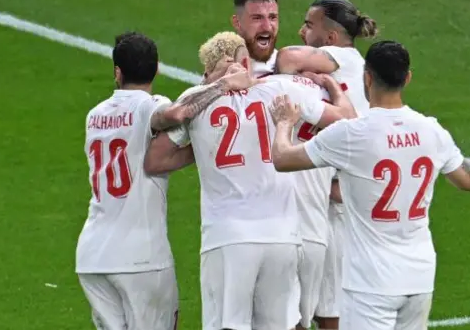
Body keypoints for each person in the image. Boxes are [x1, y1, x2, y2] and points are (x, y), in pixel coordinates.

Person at [144, 31, 356, 330]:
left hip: (228, 238)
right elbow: (346, 119)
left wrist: (206, 146)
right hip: (283, 236)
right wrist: (333, 87)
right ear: (245, 60)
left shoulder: (197, 99)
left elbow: (156, 159)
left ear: (209, 71)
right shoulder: (283, 89)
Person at [269, 40, 470, 330]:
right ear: (407, 78)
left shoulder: (352, 134)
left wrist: (284, 123)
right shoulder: (432, 130)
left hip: (370, 281)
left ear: (367, 77)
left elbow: (282, 159)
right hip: (419, 276)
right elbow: (468, 181)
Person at [75, 31, 259, 330]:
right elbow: (178, 112)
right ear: (157, 68)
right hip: (140, 258)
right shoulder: (149, 105)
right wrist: (223, 84)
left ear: (117, 72)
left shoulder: (94, 116)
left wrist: (200, 145)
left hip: (92, 257)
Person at [275, 0, 379, 330]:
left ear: (331, 38)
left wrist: (303, 69)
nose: (300, 31)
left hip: (340, 206)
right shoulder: (350, 66)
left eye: (308, 24)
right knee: (317, 307)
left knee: (328, 311)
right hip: (337, 199)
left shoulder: (343, 58)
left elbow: (286, 58)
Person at [231, 0, 279, 78]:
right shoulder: (222, 72)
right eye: (257, 18)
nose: (267, 27)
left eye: (272, 17)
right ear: (237, 23)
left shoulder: (291, 67)